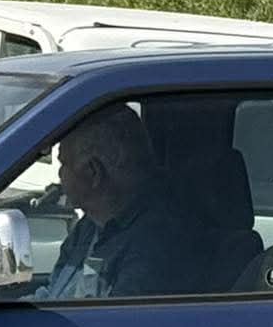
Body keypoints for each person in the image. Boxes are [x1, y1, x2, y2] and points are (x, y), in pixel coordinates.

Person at [34, 104, 210, 301]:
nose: (59, 175)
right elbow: (51, 295)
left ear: (94, 173)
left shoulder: (156, 243)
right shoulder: (88, 227)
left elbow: (115, 324)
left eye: (64, 163)